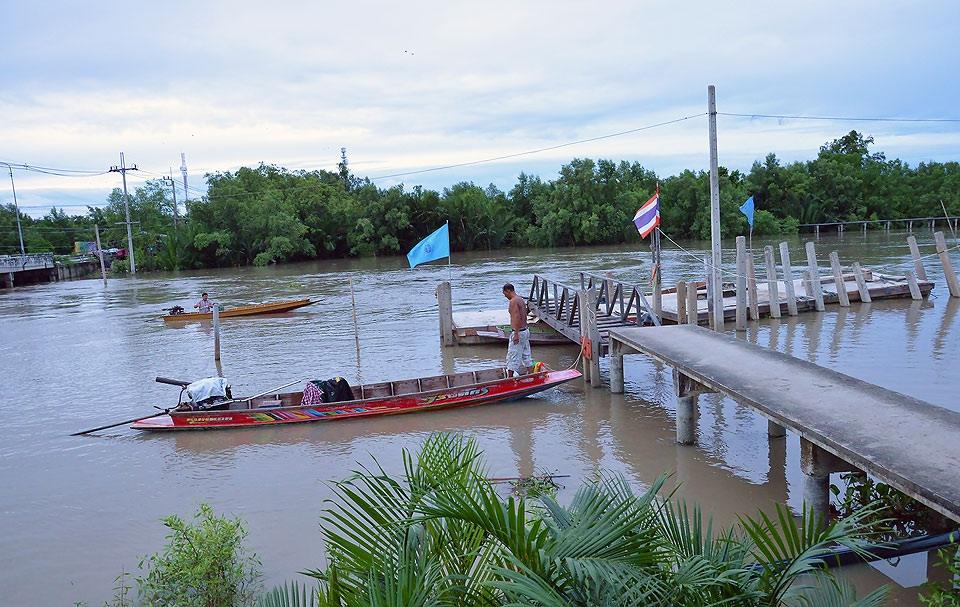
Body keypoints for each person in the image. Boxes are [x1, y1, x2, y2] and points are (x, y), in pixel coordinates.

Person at [503, 283, 532, 376]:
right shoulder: (520, 299)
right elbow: (525, 314)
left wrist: (516, 333)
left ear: (508, 291)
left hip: (519, 332)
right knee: (526, 354)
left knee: (512, 355)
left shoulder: (513, 301)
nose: (505, 296)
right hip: (525, 330)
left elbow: (516, 317)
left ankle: (510, 378)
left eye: (505, 294)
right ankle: (531, 373)